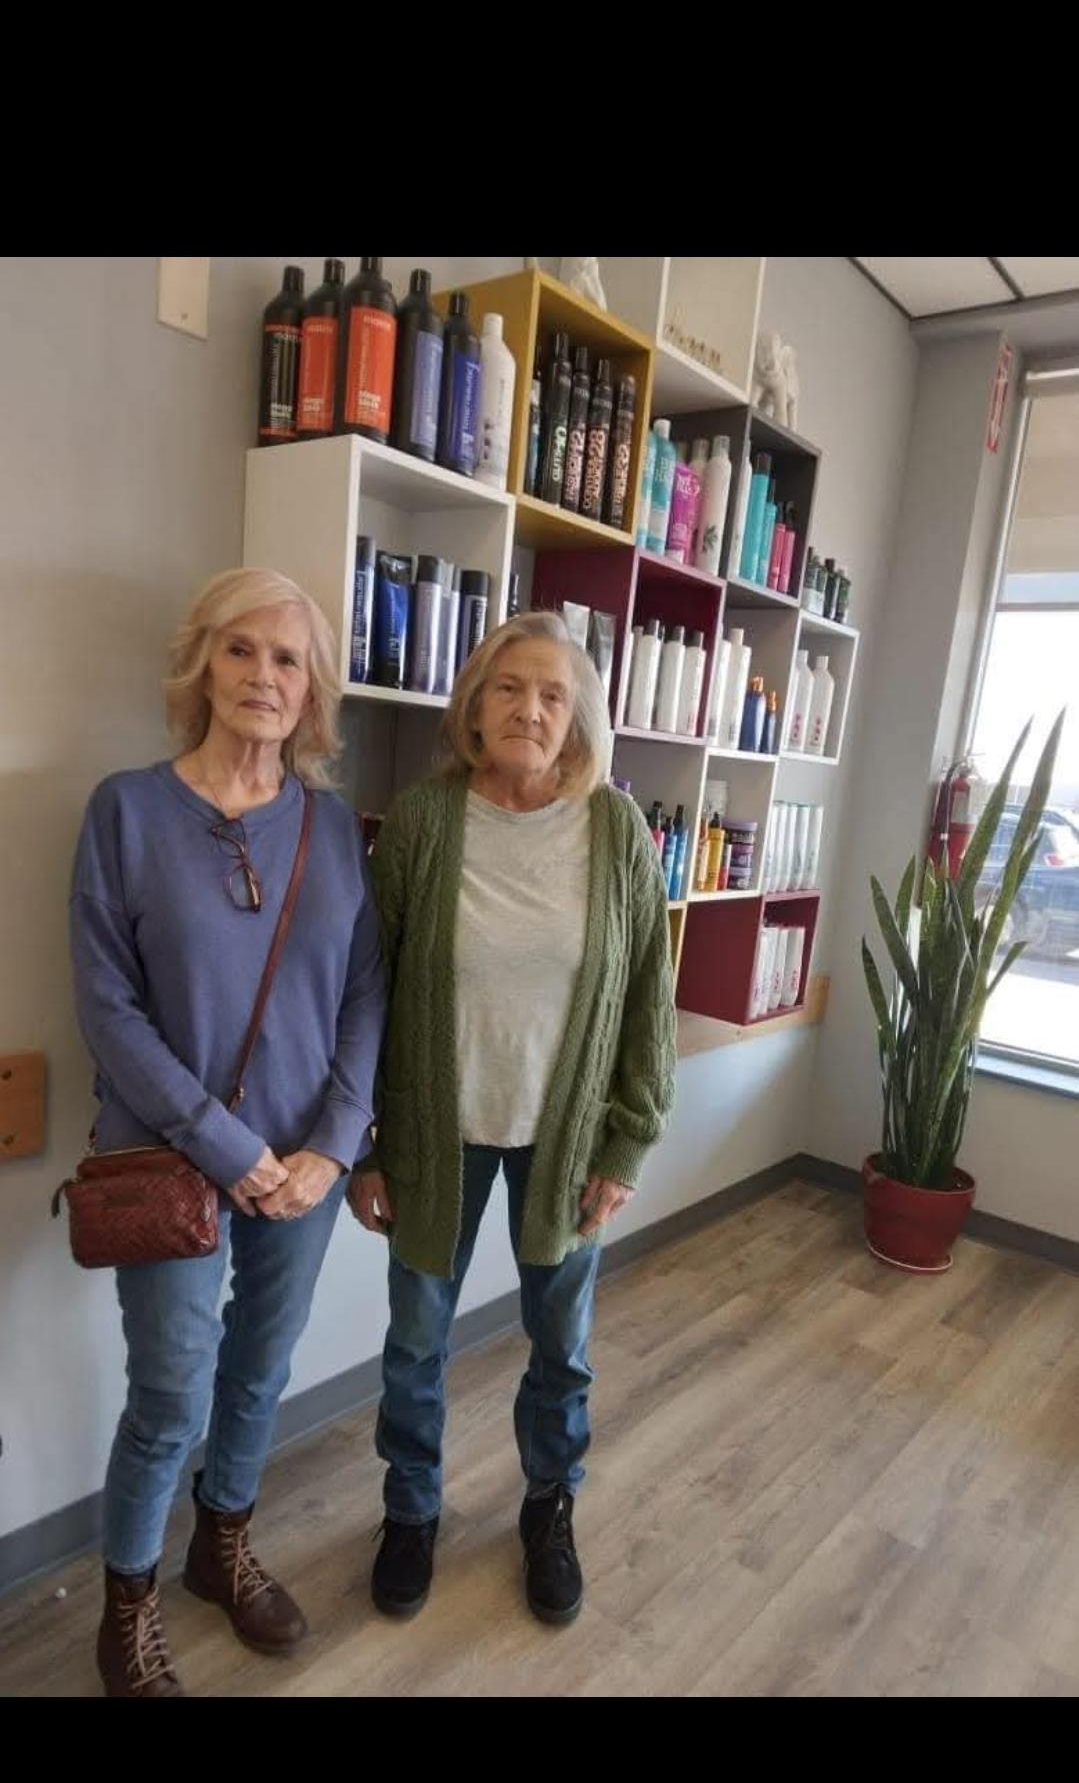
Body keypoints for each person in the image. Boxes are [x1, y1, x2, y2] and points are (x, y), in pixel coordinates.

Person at [70, 568, 385, 1697]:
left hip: (303, 1166)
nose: (263, 675)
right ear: (201, 665)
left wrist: (334, 1143)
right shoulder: (126, 811)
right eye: (241, 649)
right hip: (169, 1160)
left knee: (259, 1372)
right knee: (170, 1395)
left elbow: (364, 992)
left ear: (313, 690)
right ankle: (128, 1608)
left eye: (287, 658)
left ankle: (222, 1548)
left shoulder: (335, 829)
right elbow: (108, 1009)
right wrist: (226, 1147)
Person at [350, 610, 676, 1626]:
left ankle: (549, 1506)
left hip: (565, 1138)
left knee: (560, 1346)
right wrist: (362, 1145)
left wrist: (627, 1140)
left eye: (552, 694)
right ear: (475, 705)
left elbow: (647, 994)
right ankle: (411, 1510)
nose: (529, 709)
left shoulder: (615, 829)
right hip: (428, 1134)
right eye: (509, 687)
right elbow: (367, 989)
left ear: (577, 716)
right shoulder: (422, 821)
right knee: (415, 1343)